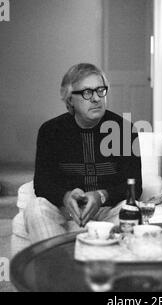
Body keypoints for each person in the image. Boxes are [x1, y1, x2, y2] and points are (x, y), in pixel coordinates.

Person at [24, 63, 142, 243]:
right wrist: (65, 196)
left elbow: (136, 185)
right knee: (36, 208)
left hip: (107, 209)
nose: (96, 98)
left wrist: (101, 195)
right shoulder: (50, 131)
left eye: (100, 90)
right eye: (87, 92)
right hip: (66, 210)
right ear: (70, 99)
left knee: (133, 210)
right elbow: (42, 183)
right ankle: (58, 266)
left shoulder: (124, 129)